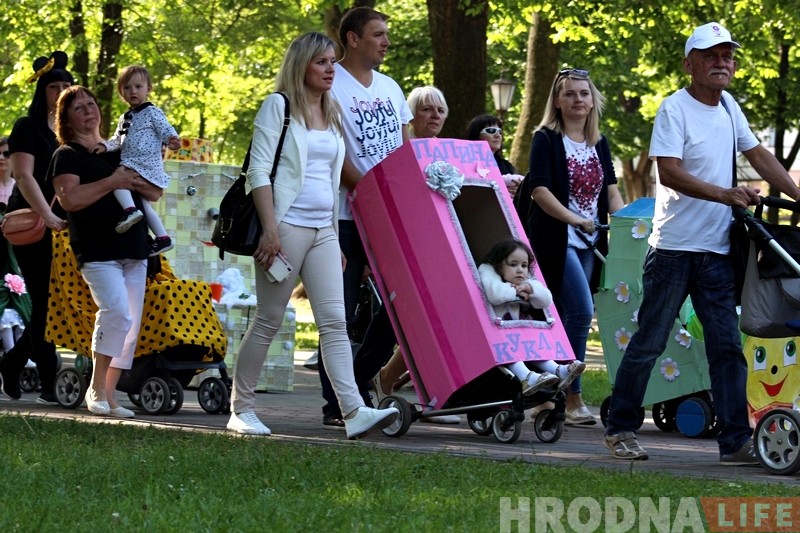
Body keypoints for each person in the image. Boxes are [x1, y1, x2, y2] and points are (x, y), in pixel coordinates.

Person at [604, 22, 800, 462]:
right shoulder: (674, 109)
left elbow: (759, 155)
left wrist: (797, 194)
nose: (722, 62)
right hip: (674, 249)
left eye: (728, 55)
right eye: (711, 55)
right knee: (650, 342)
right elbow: (669, 171)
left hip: (715, 252)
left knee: (727, 347)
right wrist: (726, 194)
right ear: (689, 63)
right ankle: (620, 428)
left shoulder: (730, 106)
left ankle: (734, 440)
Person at [226, 31, 398, 439]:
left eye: (331, 62)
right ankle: (241, 408)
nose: (330, 69)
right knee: (268, 321)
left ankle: (353, 410)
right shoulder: (278, 106)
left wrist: (335, 240)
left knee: (336, 323)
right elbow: (258, 172)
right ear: (301, 65)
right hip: (284, 228)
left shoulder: (332, 110)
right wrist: (269, 230)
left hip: (324, 228)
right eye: (322, 62)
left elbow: (334, 179)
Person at [324, 7, 413, 419]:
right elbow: (334, 151)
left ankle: (358, 381)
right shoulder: (329, 84)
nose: (386, 41)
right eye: (378, 34)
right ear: (353, 39)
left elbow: (405, 147)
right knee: (338, 313)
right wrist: (369, 191)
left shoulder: (392, 88)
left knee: (403, 303)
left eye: (386, 34)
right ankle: (335, 404)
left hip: (389, 217)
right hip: (343, 216)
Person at [51, 85, 159, 418]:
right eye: (78, 108)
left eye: (91, 104)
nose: (88, 111)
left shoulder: (118, 149)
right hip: (97, 251)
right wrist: (113, 182)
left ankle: (109, 396)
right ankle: (96, 389)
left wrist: (133, 179)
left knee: (129, 326)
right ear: (67, 120)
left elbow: (154, 192)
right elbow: (70, 200)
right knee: (116, 312)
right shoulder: (66, 155)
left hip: (134, 247)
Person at [526, 67, 625, 426]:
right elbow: (539, 191)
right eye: (569, 93)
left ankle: (547, 394)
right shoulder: (546, 139)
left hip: (590, 241)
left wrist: (628, 222)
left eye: (583, 93)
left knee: (566, 317)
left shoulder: (598, 142)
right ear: (557, 100)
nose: (577, 100)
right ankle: (572, 397)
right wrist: (573, 219)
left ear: (592, 100)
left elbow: (610, 189)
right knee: (581, 311)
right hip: (558, 240)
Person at [373, 239, 586, 399]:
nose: (520, 270)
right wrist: (516, 293)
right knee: (510, 351)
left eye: (524, 265)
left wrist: (528, 288)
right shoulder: (488, 271)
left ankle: (558, 369)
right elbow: (496, 294)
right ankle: (526, 377)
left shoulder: (525, 280)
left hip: (521, 336)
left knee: (533, 348)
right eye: (513, 264)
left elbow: (546, 299)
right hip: (496, 337)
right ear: (499, 265)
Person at [0, 51, 72, 404]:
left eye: (65, 86)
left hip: (64, 226)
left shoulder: (70, 130)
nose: (59, 91)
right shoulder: (25, 127)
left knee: (55, 301)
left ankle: (13, 363)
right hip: (32, 222)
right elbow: (23, 176)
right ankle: (47, 380)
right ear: (41, 90)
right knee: (45, 302)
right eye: (53, 86)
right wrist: (46, 214)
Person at [94, 65, 180, 256]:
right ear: (121, 92)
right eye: (127, 87)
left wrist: (172, 139)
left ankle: (130, 210)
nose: (132, 91)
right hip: (134, 162)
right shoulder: (125, 117)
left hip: (143, 163)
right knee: (145, 205)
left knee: (117, 179)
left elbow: (165, 128)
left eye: (138, 86)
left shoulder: (152, 112)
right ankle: (163, 237)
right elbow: (117, 139)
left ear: (148, 88)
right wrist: (105, 146)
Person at [0, 137, 32, 361]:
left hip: (17, 253)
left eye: (7, 154)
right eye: (0, 154)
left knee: (20, 301)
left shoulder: (19, 188)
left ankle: (21, 355)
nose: (2, 159)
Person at [466, 115, 524, 198]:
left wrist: (520, 192)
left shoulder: (507, 166)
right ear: (476, 134)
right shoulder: (465, 163)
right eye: (491, 130)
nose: (498, 135)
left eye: (500, 132)